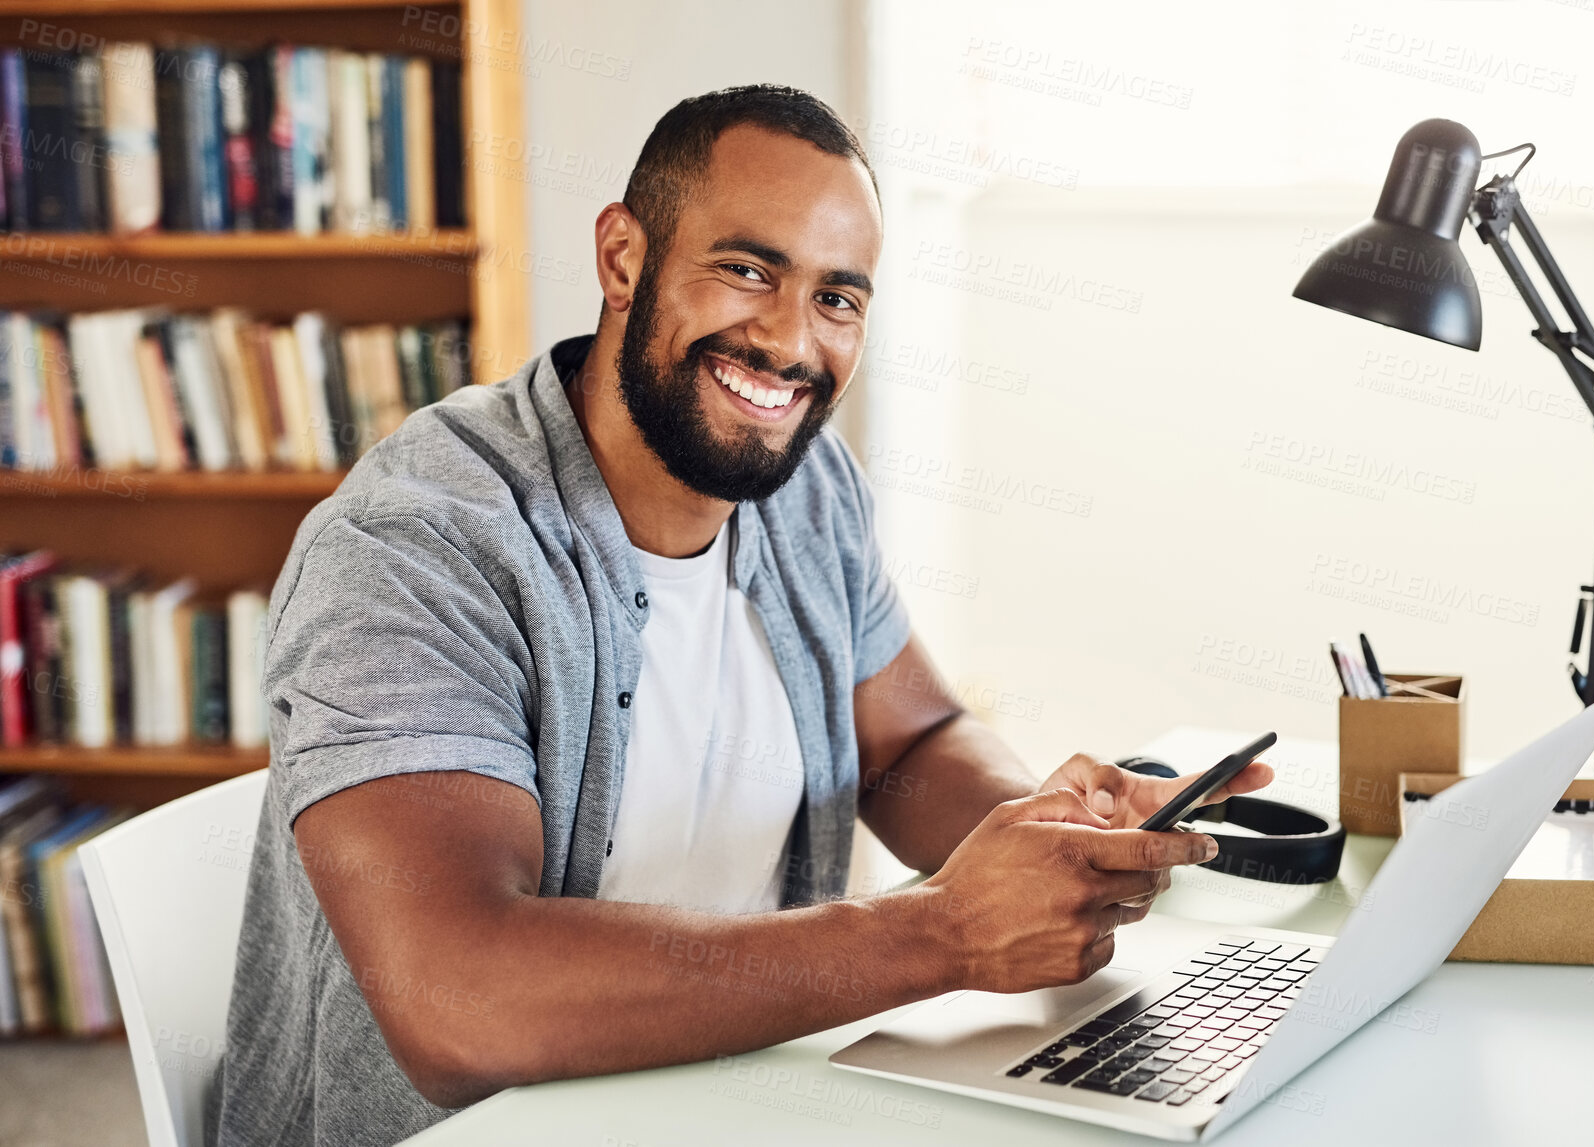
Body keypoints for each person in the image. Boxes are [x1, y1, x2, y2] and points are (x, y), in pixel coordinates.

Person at [206, 85, 1272, 1147]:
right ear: (624, 258)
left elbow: (911, 738)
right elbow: (460, 1001)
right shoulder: (415, 547)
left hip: (739, 1099)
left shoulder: (804, 486)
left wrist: (1052, 833)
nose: (787, 341)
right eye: (749, 271)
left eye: (837, 299)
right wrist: (940, 933)